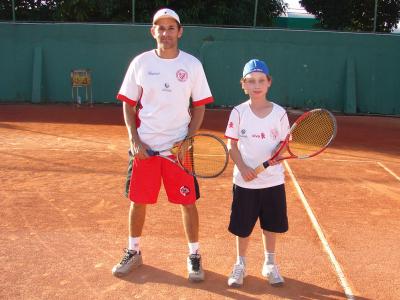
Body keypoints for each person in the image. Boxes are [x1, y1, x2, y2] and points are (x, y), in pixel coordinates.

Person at [112, 8, 214, 282]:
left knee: (188, 203)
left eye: (171, 28)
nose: (166, 33)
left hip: (180, 152)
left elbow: (200, 107)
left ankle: (194, 255)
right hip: (145, 148)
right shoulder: (140, 63)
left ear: (180, 32)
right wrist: (135, 140)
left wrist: (188, 139)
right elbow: (128, 104)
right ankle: (133, 252)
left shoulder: (192, 65)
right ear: (152, 31)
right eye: (161, 27)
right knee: (138, 201)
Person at [224, 59, 290, 287]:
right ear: (243, 84)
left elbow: (283, 146)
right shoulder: (238, 112)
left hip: (272, 181)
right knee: (242, 227)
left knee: (271, 225)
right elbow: (231, 145)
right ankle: (240, 264)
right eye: (251, 81)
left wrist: (277, 156)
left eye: (261, 80)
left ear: (269, 82)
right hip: (245, 183)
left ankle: (270, 263)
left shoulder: (280, 114)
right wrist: (242, 167)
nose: (256, 85)